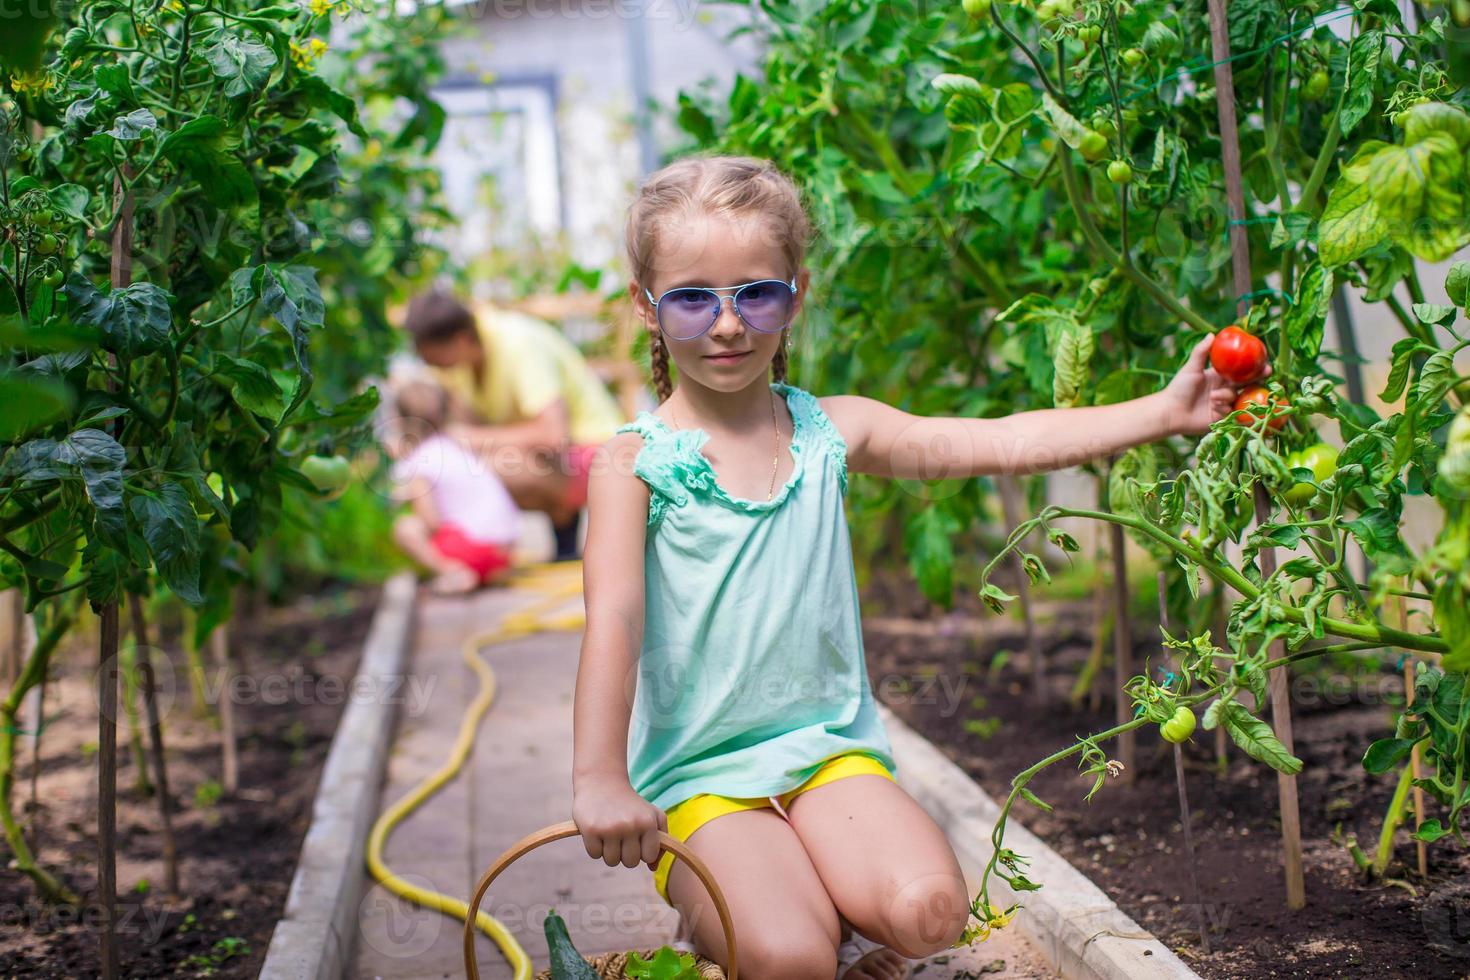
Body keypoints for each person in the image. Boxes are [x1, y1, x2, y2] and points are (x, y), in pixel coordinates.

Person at [570, 156, 1246, 979]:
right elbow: (613, 616)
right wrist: (602, 778)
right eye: (692, 298)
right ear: (647, 305)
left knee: (932, 911)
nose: (727, 325)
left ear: (798, 292)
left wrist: (1164, 413)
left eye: (757, 292)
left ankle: (818, 918)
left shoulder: (831, 434)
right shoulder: (632, 465)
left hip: (825, 755)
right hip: (699, 778)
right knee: (789, 960)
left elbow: (1000, 439)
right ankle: (754, 922)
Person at [402, 290, 625, 561]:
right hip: (558, 462)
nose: (432, 366)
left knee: (480, 471)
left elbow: (554, 435)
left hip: (602, 457)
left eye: (434, 359)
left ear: (460, 339)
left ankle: (505, 548)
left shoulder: (518, 343)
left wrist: (472, 438)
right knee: (468, 464)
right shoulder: (464, 362)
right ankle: (563, 540)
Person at [387, 378, 520, 594]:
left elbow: (430, 520)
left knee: (406, 528)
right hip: (505, 553)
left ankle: (452, 571)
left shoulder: (421, 460)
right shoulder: (455, 449)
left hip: (476, 551)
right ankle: (482, 574)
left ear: (401, 420)